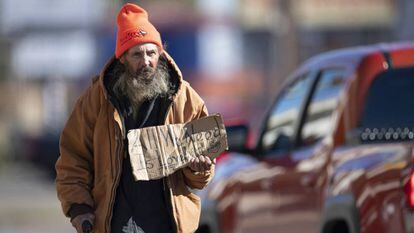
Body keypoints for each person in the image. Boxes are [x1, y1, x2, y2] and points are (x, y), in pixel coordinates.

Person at [55, 3, 214, 233]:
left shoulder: (184, 97)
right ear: (122, 58)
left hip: (167, 223)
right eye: (137, 54)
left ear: (159, 53)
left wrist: (199, 168)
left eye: (151, 53)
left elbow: (199, 177)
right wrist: (79, 208)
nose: (146, 61)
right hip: (115, 223)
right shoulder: (96, 100)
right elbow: (73, 157)